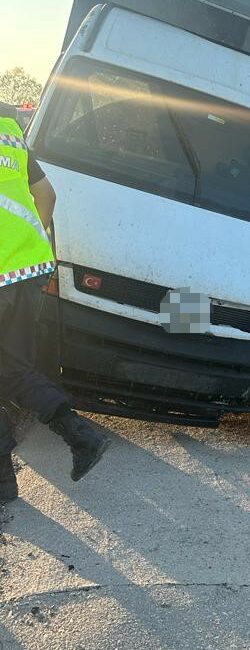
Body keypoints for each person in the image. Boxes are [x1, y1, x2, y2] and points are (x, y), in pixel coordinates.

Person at [0, 102, 110, 503]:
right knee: (13, 369)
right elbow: (46, 195)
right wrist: (27, 244)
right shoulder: (9, 130)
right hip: (27, 268)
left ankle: (2, 483)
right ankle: (82, 438)